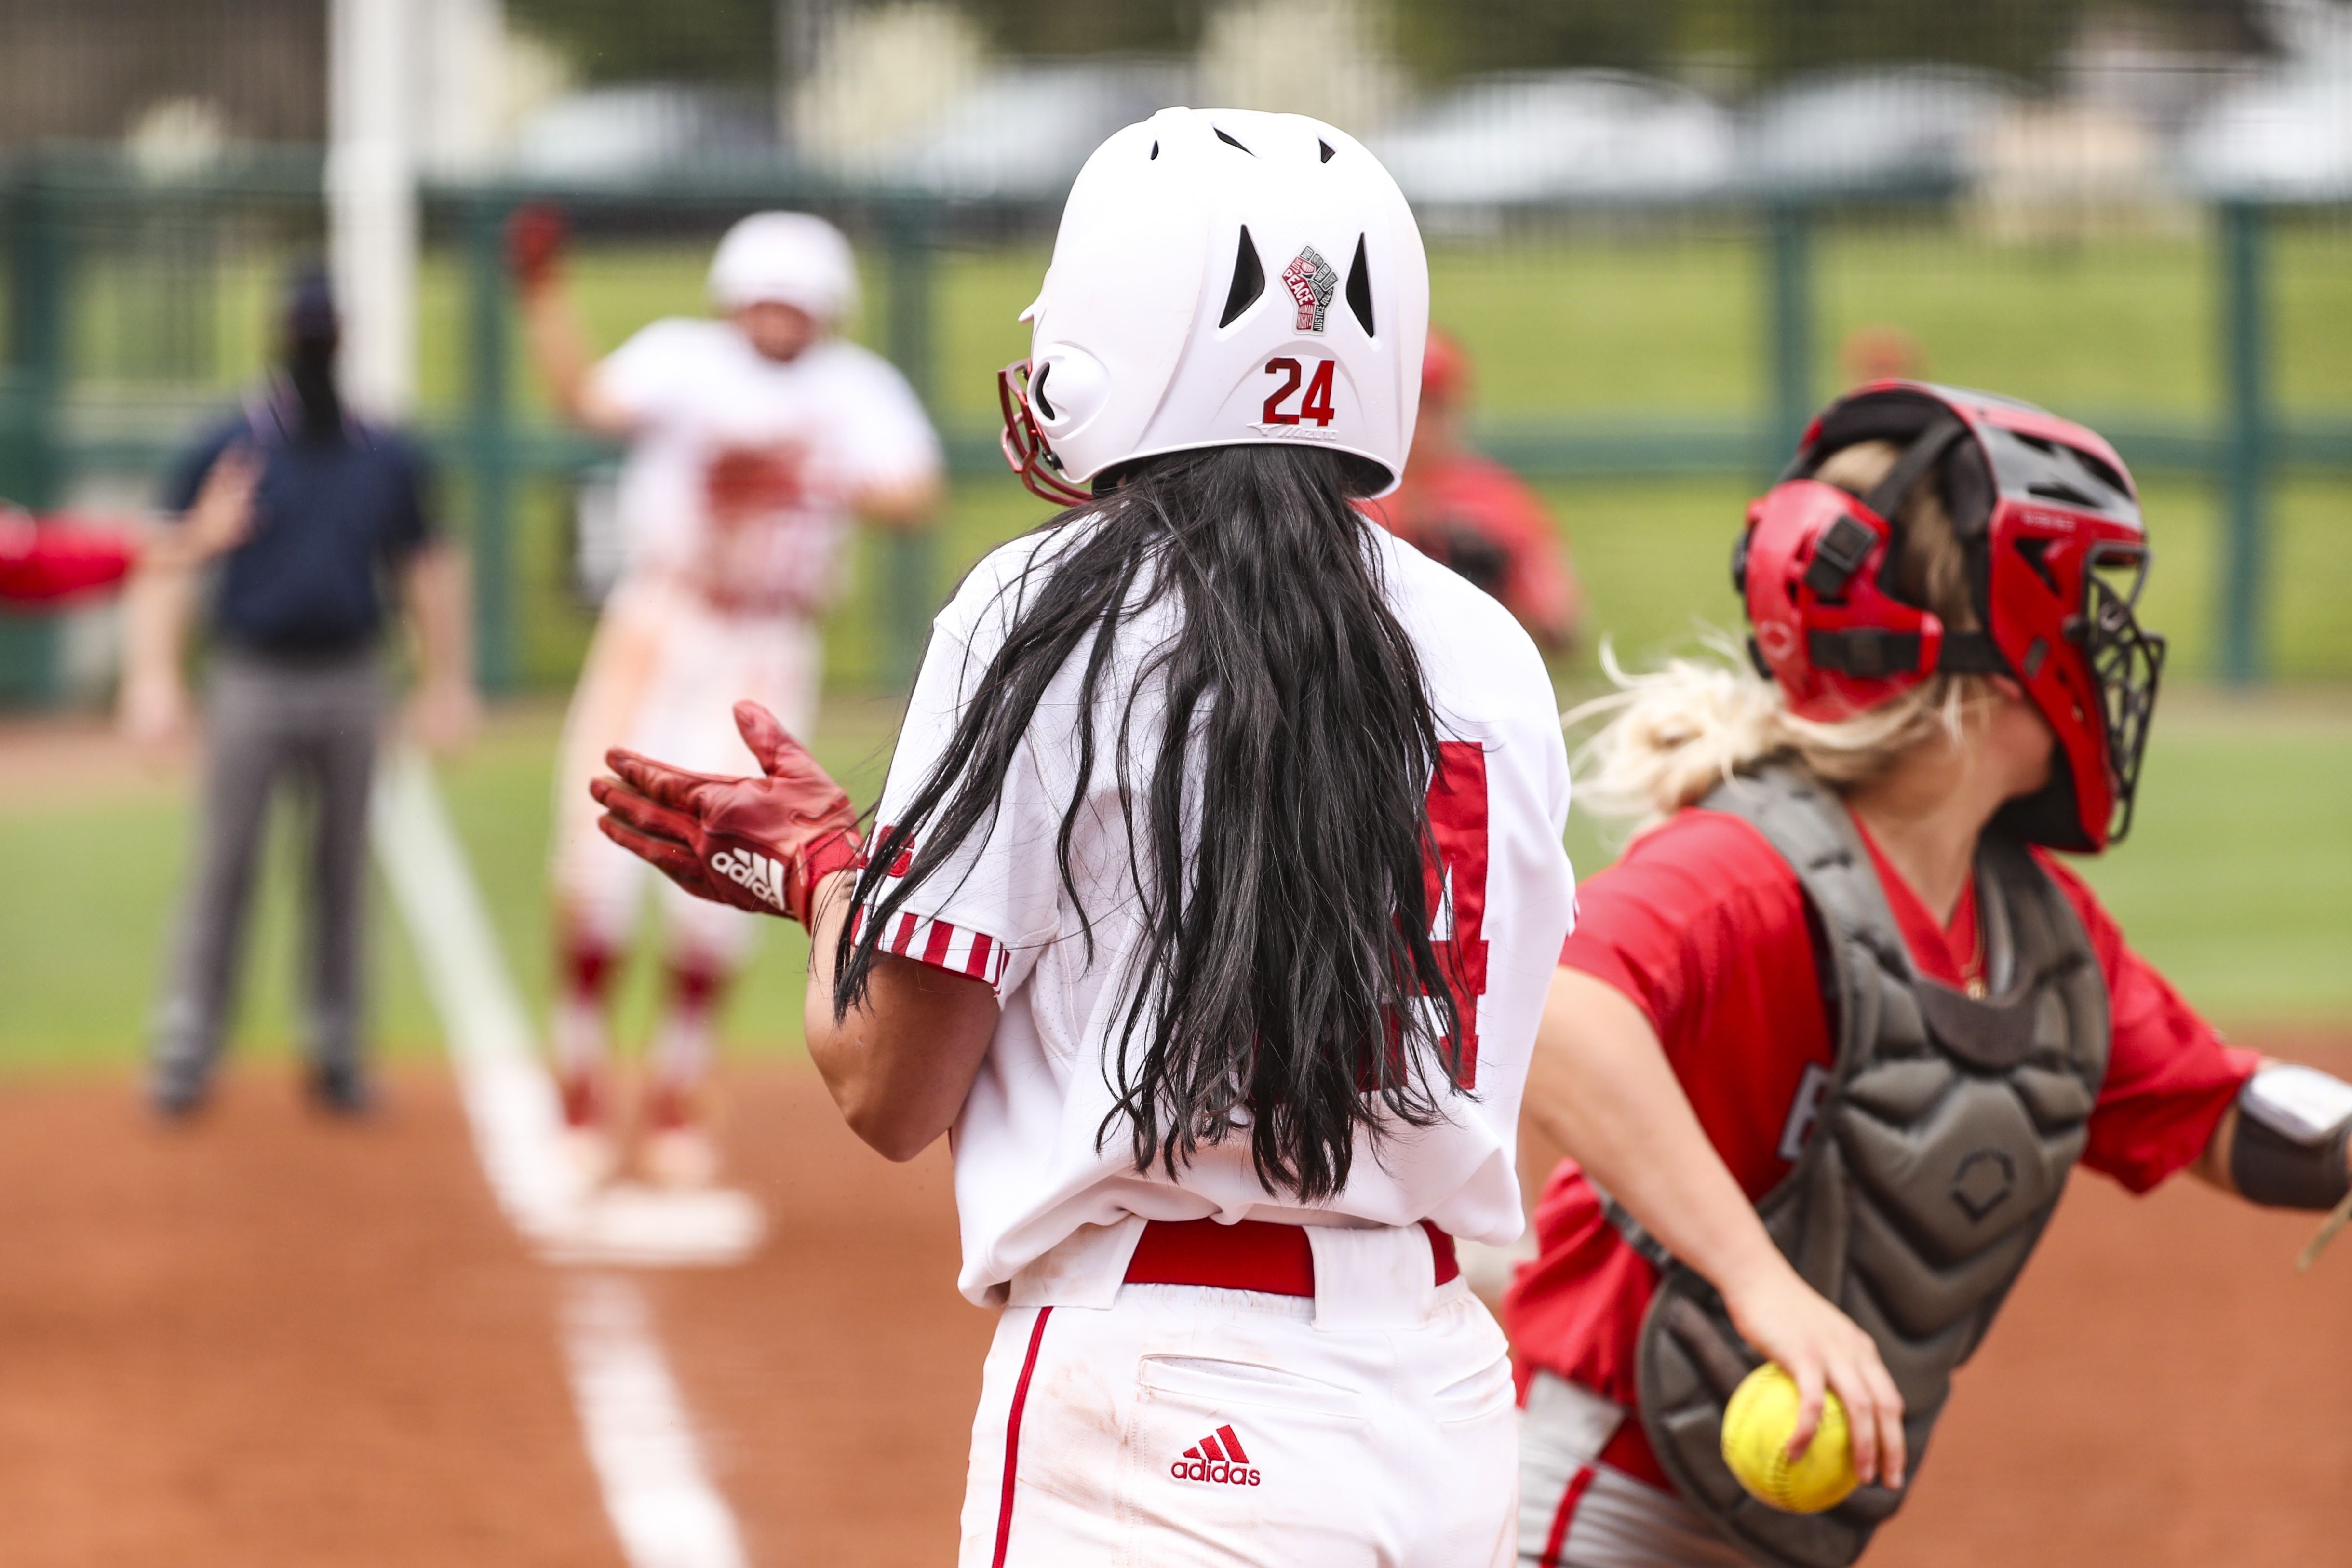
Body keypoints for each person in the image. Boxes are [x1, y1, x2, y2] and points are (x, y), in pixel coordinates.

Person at [591, 109, 1577, 1566]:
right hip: (1442, 1389)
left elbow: (891, 1085)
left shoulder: (1042, 614)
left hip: (1164, 1389)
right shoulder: (1489, 651)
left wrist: (824, 880)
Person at [1503, 381, 2352, 1568]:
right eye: (2087, 601)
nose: (2109, 645)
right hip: (1605, 1499)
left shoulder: (2034, 933)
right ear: (2005, 654)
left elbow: (2229, 1113)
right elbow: (1553, 1001)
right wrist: (1762, 1282)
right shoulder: (1746, 867)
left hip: (1777, 1527)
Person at [511, 205, 943, 1189]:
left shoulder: (853, 389)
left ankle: (677, 1091)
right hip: (665, 622)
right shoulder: (684, 359)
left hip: (767, 640)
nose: (777, 318)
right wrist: (541, 294)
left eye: (795, 303)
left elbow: (915, 492)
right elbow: (584, 400)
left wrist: (810, 474)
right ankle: (578, 1079)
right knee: (599, 854)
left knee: (730, 870)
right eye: (764, 300)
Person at [126, 267, 478, 1118]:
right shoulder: (231, 443)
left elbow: (426, 566)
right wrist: (155, 677)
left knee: (340, 869)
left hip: (352, 674)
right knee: (225, 863)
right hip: (250, 674)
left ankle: (336, 1044)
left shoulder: (382, 449)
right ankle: (186, 1040)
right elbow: (169, 562)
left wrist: (445, 681)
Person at [1364, 327, 1583, 652]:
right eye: (1406, 403)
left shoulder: (1494, 496)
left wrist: (1502, 573)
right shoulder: (1352, 492)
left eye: (1431, 405)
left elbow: (1562, 629)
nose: (1418, 423)